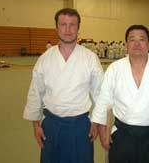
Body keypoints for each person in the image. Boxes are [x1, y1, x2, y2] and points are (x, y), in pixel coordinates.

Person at [91, 25, 149, 163]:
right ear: (126, 44)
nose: (137, 43)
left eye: (142, 39)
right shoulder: (115, 69)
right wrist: (103, 133)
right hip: (122, 135)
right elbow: (104, 102)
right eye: (132, 39)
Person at [23, 8, 104, 163]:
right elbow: (36, 93)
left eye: (72, 25)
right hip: (52, 126)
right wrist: (36, 125)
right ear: (56, 27)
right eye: (63, 24)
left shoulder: (90, 58)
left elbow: (100, 93)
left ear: (78, 28)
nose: (68, 29)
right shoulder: (45, 59)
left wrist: (96, 121)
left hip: (81, 126)